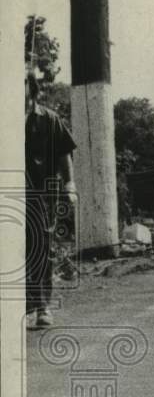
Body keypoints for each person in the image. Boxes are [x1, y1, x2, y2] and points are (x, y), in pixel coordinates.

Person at [24, 71, 76, 328]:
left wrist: (70, 185)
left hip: (42, 194)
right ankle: (23, 306)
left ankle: (42, 306)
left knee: (41, 250)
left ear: (31, 88)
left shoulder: (49, 119)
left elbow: (64, 153)